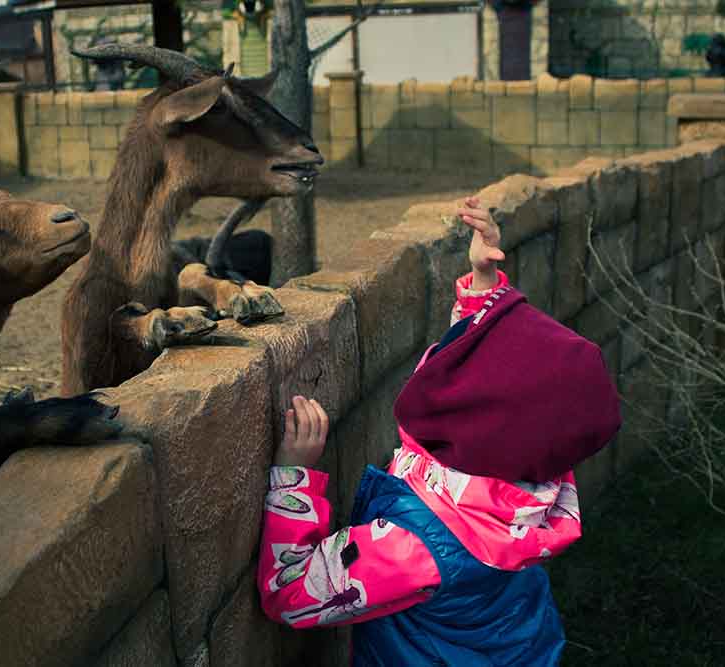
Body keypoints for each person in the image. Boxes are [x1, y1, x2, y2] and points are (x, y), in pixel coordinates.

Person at [256, 196, 622, 665]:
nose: (451, 357)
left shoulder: (412, 546)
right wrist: (483, 282)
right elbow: (494, 380)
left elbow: (289, 592)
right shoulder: (525, 473)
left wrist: (294, 477)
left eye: (467, 358)